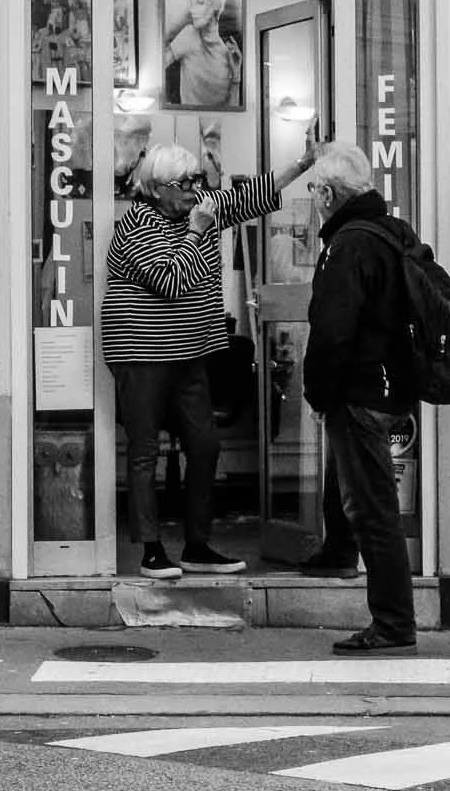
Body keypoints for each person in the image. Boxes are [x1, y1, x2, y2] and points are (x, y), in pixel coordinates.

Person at [102, 140, 304, 580]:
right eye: (184, 183)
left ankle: (197, 545)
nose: (195, 189)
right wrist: (197, 231)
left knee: (205, 445)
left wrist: (303, 163)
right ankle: (151, 550)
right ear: (155, 188)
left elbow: (249, 197)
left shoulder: (197, 207)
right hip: (141, 351)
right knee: (144, 450)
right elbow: (173, 281)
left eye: (197, 180)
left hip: (189, 351)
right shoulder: (135, 225)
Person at [298, 140, 419, 653]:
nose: (313, 198)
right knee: (367, 501)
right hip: (388, 387)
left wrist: (317, 393)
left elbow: (333, 333)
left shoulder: (348, 245)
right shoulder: (390, 233)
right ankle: (342, 557)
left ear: (326, 192)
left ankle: (392, 624)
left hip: (360, 392)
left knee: (372, 509)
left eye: (313, 190)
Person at [165, 0, 243, 108]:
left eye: (200, 3)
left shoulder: (228, 54)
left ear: (215, 7)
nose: (192, 10)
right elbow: (158, 66)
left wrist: (236, 76)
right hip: (186, 122)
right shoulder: (189, 35)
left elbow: (232, 109)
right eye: (192, 4)